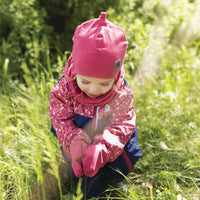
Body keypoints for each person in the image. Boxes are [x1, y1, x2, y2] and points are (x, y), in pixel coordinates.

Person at [49, 12, 142, 199]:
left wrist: (104, 147)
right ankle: (83, 183)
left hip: (110, 144)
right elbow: (59, 118)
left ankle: (113, 179)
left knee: (118, 167)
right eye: (85, 81)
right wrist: (73, 140)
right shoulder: (65, 88)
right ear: (75, 70)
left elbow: (123, 123)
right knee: (82, 175)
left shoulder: (120, 92)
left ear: (115, 77)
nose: (94, 90)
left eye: (104, 84)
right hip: (77, 140)